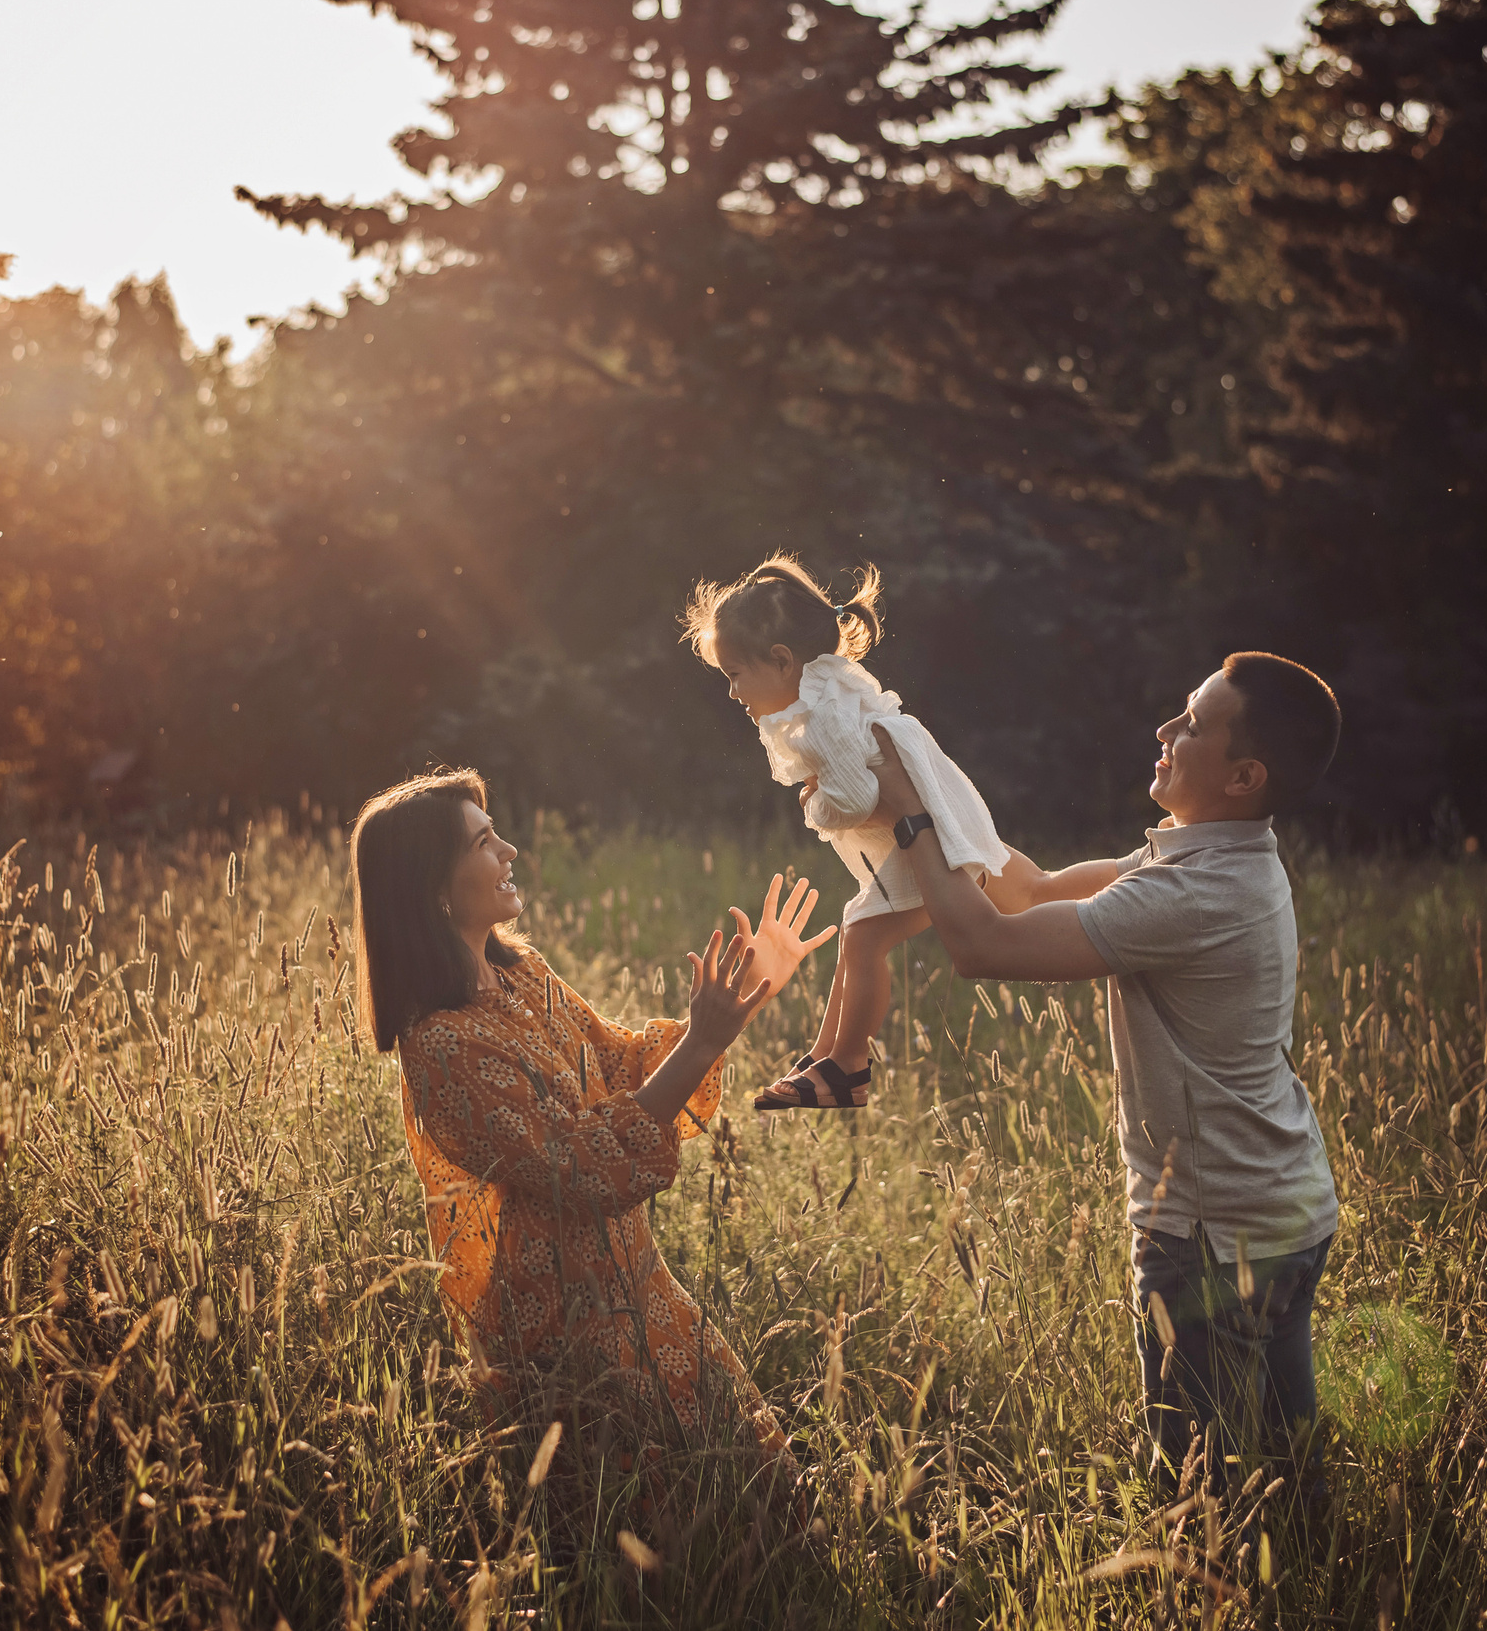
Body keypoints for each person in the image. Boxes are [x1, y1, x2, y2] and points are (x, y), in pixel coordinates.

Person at [861, 653, 1344, 1497]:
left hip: (1213, 1235)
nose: (1165, 730)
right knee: (1289, 1476)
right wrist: (929, 783)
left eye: (1192, 723)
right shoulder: (1214, 860)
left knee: (1201, 1495)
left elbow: (985, 944)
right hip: (1283, 1209)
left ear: (1243, 775)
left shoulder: (1194, 893)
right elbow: (1031, 889)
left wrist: (911, 821)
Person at [348, 768, 832, 1458]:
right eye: (485, 841)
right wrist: (701, 1040)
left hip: (643, 1290)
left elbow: (622, 1069)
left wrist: (742, 995)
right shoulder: (443, 1044)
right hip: (567, 1336)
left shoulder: (524, 974)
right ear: (432, 885)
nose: (509, 849)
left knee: (755, 1491)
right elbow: (576, 1163)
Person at [681, 554, 1009, 1112]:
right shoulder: (827, 688)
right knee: (1033, 891)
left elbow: (856, 800)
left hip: (926, 834)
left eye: (735, 674)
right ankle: (826, 1054)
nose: (733, 693)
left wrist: (814, 805)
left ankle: (848, 1065)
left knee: (864, 938)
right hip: (939, 815)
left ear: (782, 661)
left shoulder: (822, 717)